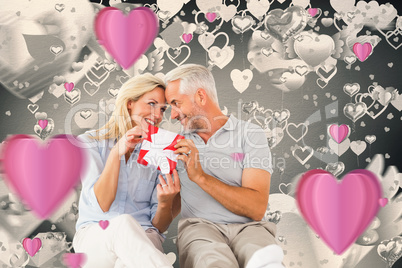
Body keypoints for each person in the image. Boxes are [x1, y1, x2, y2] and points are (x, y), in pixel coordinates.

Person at [164, 64, 285, 268]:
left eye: (176, 103)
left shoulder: (250, 134)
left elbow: (256, 209)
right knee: (211, 260)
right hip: (199, 228)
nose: (173, 115)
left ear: (201, 97)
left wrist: (200, 177)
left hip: (250, 227)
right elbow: (167, 208)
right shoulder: (174, 144)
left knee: (263, 258)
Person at [73, 74, 181, 268]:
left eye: (163, 109)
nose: (157, 115)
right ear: (130, 103)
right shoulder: (89, 143)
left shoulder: (161, 152)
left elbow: (159, 226)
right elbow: (102, 206)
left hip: (145, 238)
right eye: (151, 104)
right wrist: (116, 153)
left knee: (125, 262)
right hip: (96, 237)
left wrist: (166, 202)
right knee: (123, 223)